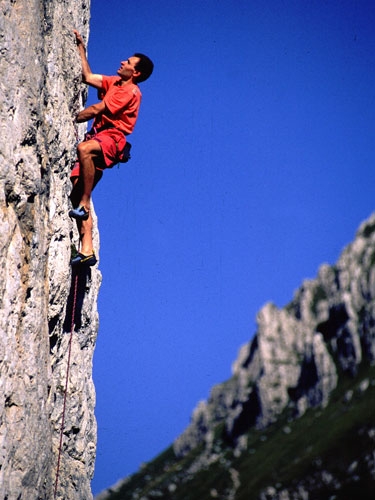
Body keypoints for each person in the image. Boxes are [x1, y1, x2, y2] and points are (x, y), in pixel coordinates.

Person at [69, 30, 154, 266]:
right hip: (100, 136)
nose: (122, 62)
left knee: (84, 150)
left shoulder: (131, 91)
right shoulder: (114, 83)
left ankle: (85, 203)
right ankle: (87, 249)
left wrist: (73, 117)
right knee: (75, 192)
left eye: (127, 62)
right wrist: (81, 50)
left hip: (112, 138)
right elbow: (88, 76)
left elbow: (98, 110)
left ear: (135, 72)